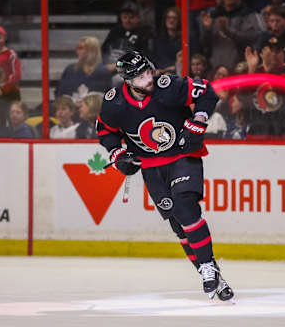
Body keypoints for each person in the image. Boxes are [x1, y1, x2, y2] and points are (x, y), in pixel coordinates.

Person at [96, 50, 234, 301]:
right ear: (128, 81)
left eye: (148, 71)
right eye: (140, 77)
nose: (148, 79)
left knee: (184, 207)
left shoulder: (168, 85)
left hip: (182, 156)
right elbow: (105, 130)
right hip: (151, 167)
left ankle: (207, 266)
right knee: (178, 226)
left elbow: (207, 92)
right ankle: (210, 270)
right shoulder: (114, 101)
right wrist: (116, 154)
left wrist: (198, 122)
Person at [199, 0, 262, 71]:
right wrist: (207, 29)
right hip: (216, 71)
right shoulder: (214, 15)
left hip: (239, 69)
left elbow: (252, 38)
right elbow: (205, 46)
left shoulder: (248, 14)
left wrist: (227, 31)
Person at [55, 36, 114, 104]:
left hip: (92, 111)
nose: (77, 50)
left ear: (91, 51)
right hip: (69, 110)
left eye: (81, 48)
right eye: (77, 47)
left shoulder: (102, 72)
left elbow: (105, 98)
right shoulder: (70, 69)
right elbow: (59, 93)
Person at [101, 2, 153, 67]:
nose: (128, 20)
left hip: (131, 68)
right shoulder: (115, 31)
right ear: (121, 18)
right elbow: (104, 50)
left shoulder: (145, 33)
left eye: (131, 17)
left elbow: (146, 57)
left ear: (138, 18)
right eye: (125, 17)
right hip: (110, 65)